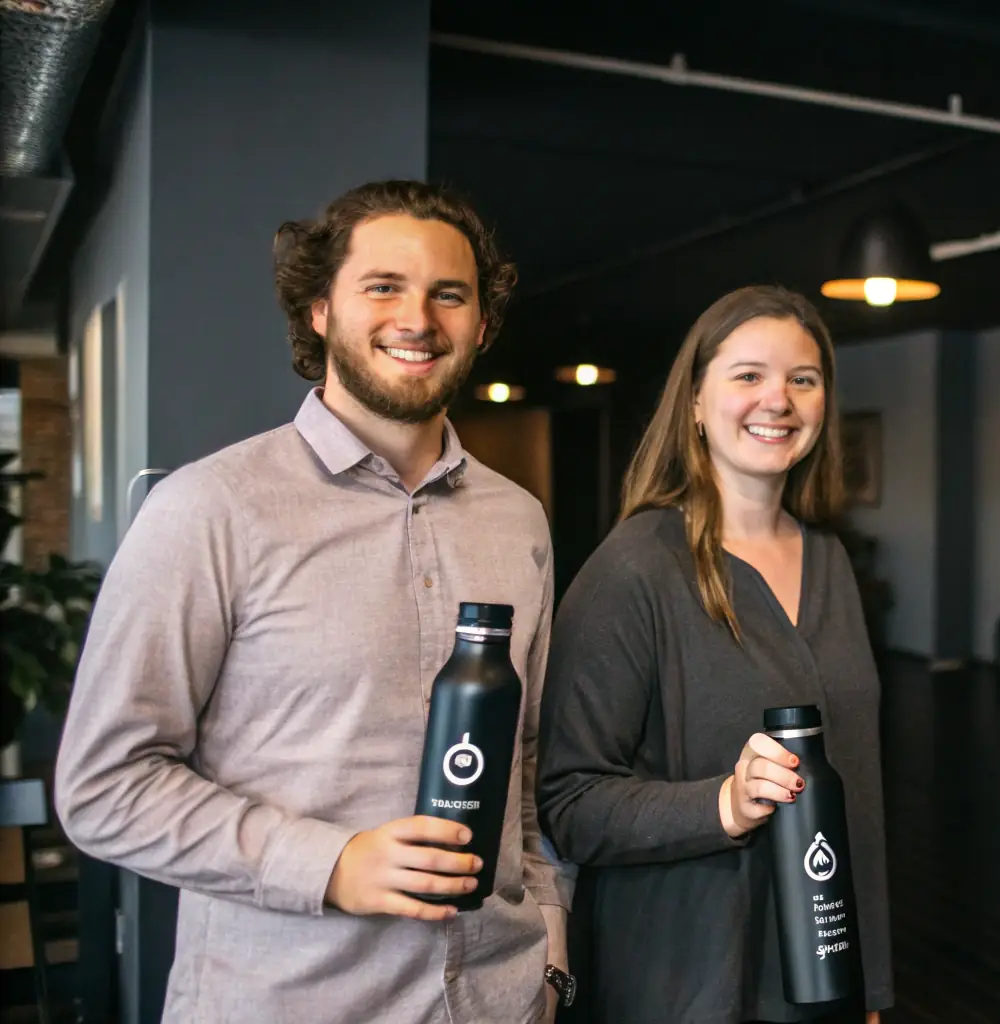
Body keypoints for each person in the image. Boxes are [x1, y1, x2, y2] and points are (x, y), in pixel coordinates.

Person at [54, 180, 573, 1022]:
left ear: (482, 322)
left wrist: (550, 960)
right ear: (319, 310)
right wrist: (329, 863)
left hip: (496, 1003)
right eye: (383, 287)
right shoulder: (210, 508)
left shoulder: (518, 520)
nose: (419, 318)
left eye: (450, 294)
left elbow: (528, 769)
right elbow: (103, 787)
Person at [537, 285, 892, 1024]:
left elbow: (857, 793)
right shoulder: (634, 568)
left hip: (821, 981)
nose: (779, 399)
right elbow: (569, 804)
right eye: (748, 375)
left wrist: (871, 986)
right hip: (683, 984)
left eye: (804, 378)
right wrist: (720, 804)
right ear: (695, 402)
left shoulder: (830, 562)